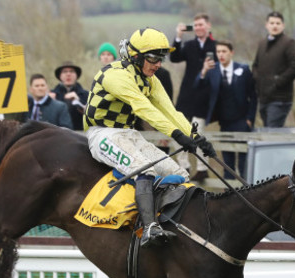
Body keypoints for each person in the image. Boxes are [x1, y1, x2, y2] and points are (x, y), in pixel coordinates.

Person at [83, 27, 216, 247]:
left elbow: (170, 111)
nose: (158, 64)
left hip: (128, 134)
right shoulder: (115, 75)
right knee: (146, 168)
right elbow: (144, 109)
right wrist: (177, 136)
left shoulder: (150, 79)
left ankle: (172, 222)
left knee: (179, 173)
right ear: (136, 56)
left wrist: (196, 136)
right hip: (102, 134)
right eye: (153, 58)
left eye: (160, 58)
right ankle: (148, 228)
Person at [195, 39, 256, 179]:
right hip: (224, 122)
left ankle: (246, 191)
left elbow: (253, 96)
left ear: (231, 53)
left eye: (224, 51)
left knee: (243, 160)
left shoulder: (244, 69)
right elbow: (198, 87)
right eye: (218, 52)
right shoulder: (212, 70)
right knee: (227, 161)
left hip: (242, 121)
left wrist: (249, 119)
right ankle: (229, 194)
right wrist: (203, 71)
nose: (221, 55)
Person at [170, 13, 217, 181]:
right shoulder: (189, 45)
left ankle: (202, 169)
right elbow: (174, 58)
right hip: (186, 95)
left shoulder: (215, 46)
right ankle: (184, 165)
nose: (198, 28)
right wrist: (178, 36)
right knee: (177, 130)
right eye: (195, 25)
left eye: (201, 25)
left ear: (208, 26)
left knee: (200, 133)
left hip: (204, 97)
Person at [252, 11, 295, 128]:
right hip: (263, 97)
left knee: (272, 133)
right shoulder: (262, 43)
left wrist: (278, 81)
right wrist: (257, 79)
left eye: (278, 23)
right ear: (266, 25)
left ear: (283, 26)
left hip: (280, 99)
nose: (274, 26)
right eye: (272, 23)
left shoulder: (289, 43)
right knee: (267, 132)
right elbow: (255, 65)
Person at [51, 61, 89, 131]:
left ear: (76, 75)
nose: (68, 74)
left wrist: (78, 101)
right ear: (60, 76)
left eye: (71, 71)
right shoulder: (52, 95)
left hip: (80, 134)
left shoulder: (86, 95)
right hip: (57, 134)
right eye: (65, 72)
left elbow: (92, 116)